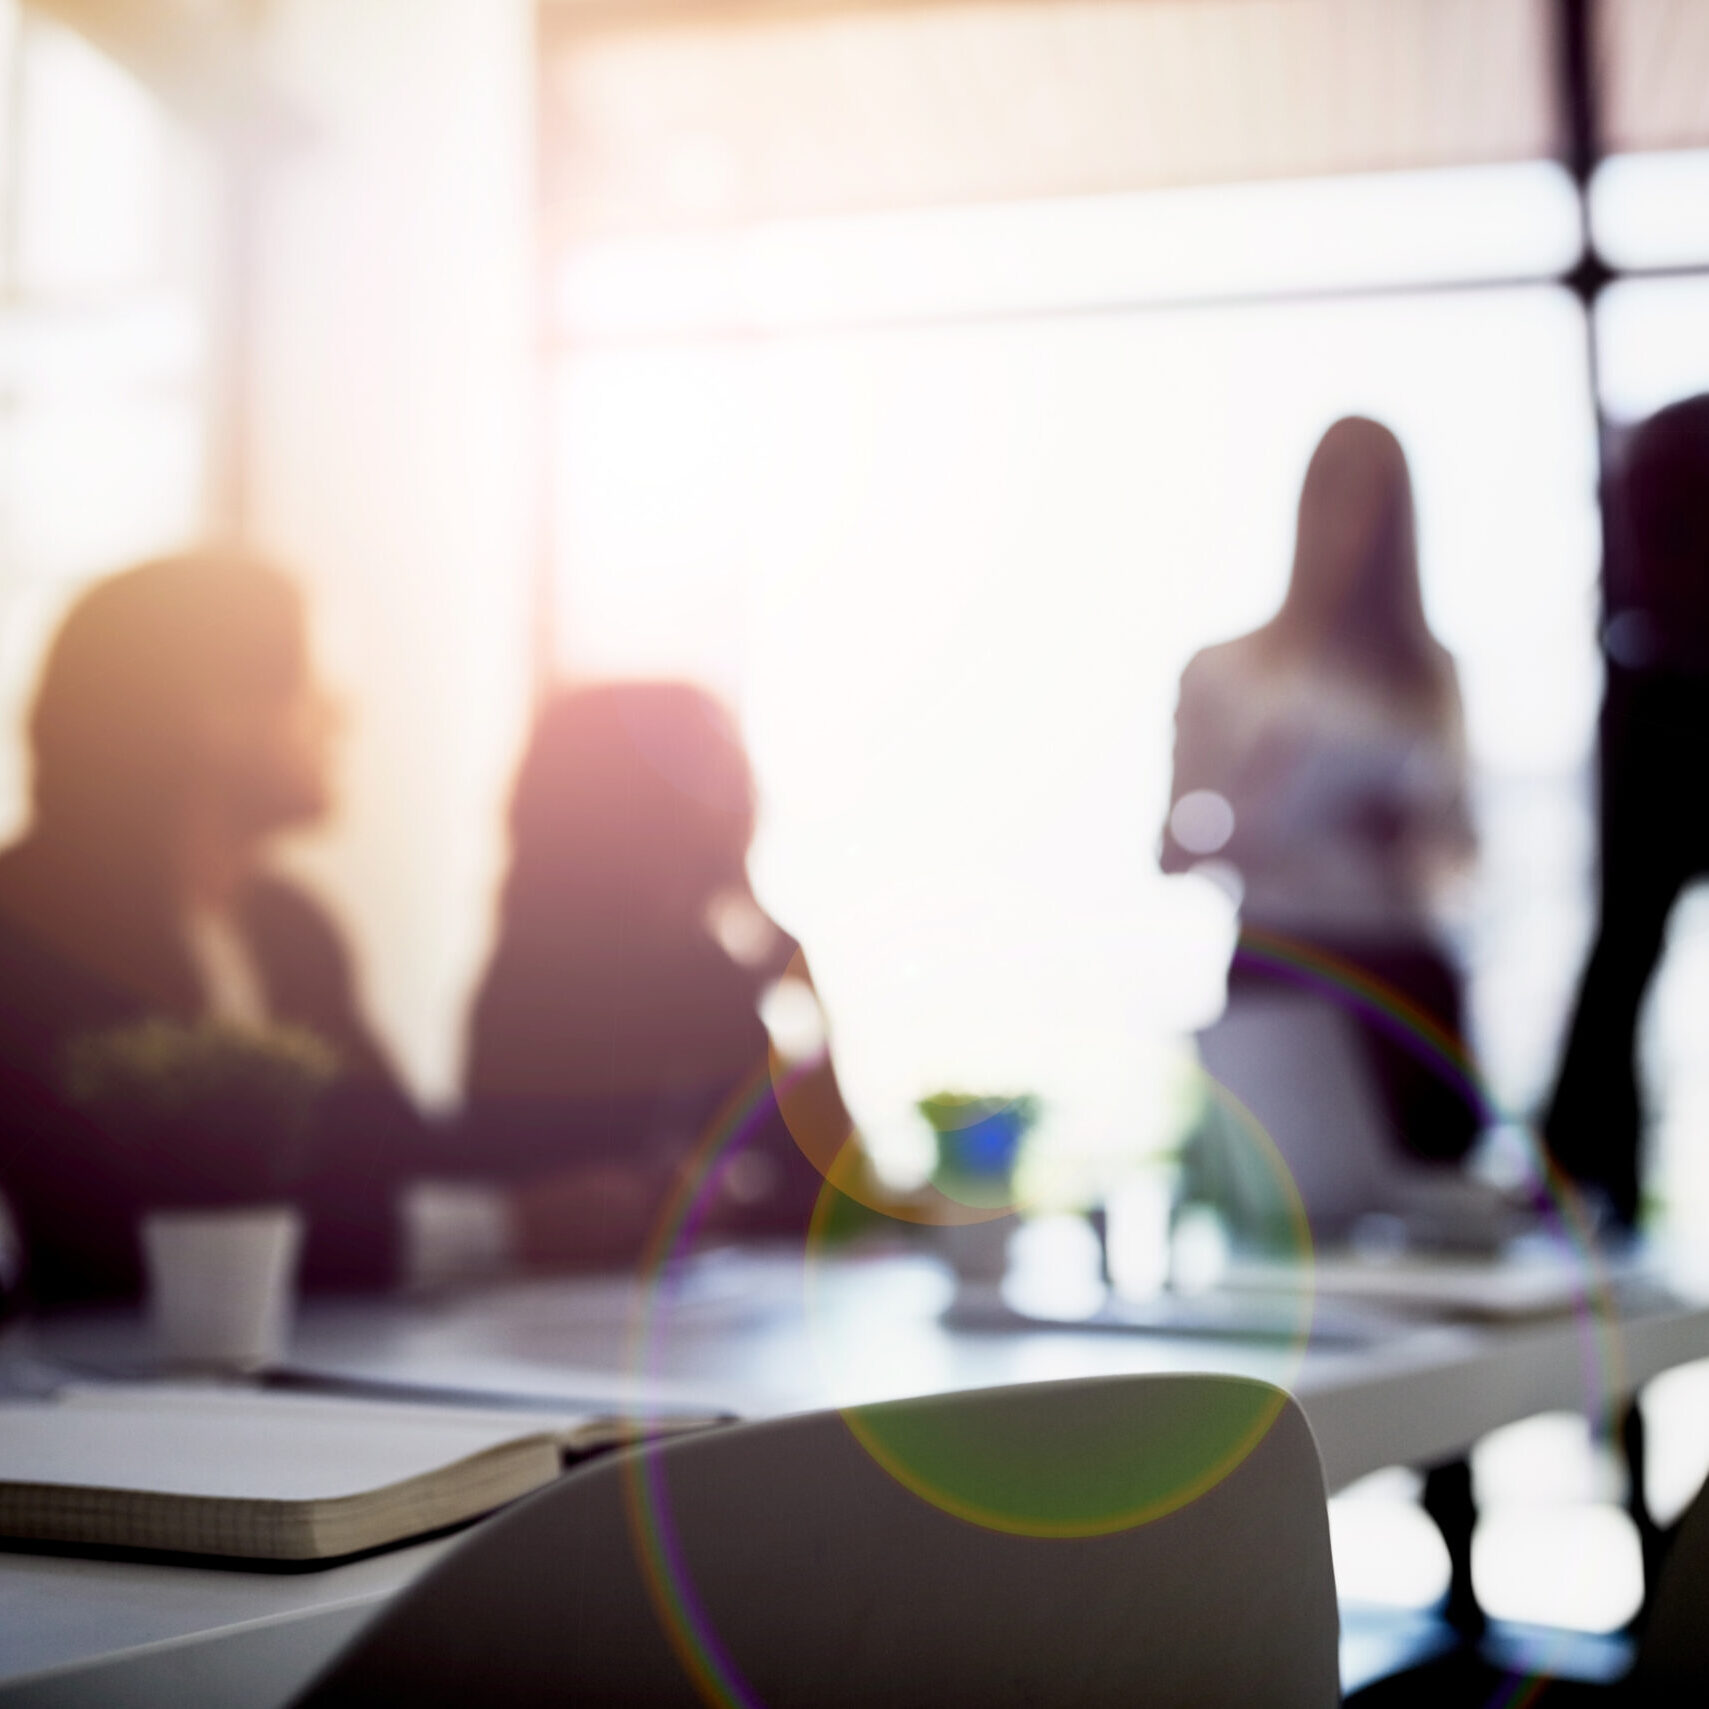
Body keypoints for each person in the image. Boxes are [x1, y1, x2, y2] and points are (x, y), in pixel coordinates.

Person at [0, 550, 419, 1303]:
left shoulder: (295, 929)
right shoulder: (22, 935)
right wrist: (492, 1222)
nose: (339, 713)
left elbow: (389, 1154)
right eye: (307, 684)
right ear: (214, 712)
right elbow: (100, 1231)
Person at [1162, 414, 1479, 1167]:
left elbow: (1464, 852)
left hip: (1403, 964)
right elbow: (1171, 849)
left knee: (1428, 1189)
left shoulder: (1429, 677)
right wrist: (1258, 795)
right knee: (1283, 1201)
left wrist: (1410, 834)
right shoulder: (1226, 670)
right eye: (1339, 494)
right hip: (1282, 957)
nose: (1354, 522)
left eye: (1375, 501)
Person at [465, 682, 849, 1267]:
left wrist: (735, 1193)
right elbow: (513, 1186)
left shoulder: (727, 977)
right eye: (708, 764)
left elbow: (828, 1184)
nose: (743, 793)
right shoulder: (533, 988)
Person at [1545, 394, 1709, 1231]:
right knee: (1618, 975)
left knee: (1617, 969)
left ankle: (1578, 1194)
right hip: (1656, 729)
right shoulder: (1663, 439)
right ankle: (1581, 1193)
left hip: (1650, 722)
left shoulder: (1657, 439)